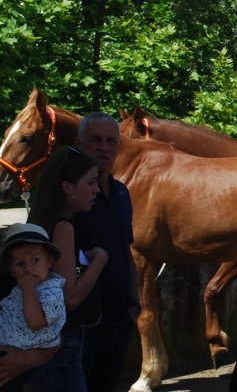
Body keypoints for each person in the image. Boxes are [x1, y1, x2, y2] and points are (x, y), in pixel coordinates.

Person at [25, 145, 108, 392]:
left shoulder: (41, 224)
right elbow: (70, 297)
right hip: (63, 342)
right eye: (91, 183)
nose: (96, 190)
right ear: (67, 187)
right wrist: (100, 260)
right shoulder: (62, 228)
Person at [72, 112, 140, 392]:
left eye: (111, 141)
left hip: (120, 321)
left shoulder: (122, 192)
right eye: (95, 140)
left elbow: (126, 251)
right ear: (79, 143)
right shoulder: (69, 195)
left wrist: (134, 306)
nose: (104, 148)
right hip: (84, 327)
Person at [0, 224, 66, 392]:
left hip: (20, 355)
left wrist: (28, 290)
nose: (28, 268)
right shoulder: (23, 288)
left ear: (49, 261)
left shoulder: (51, 292)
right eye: (20, 263)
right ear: (12, 271)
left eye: (35, 260)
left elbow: (36, 323)